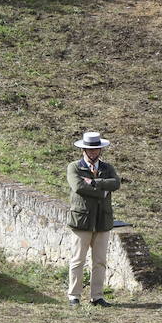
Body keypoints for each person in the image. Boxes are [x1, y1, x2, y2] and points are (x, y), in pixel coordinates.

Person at [65, 131, 120, 308]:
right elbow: (78, 187)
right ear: (83, 149)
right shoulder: (74, 167)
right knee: (77, 260)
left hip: (102, 221)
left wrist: (95, 183)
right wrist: (103, 189)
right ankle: (74, 295)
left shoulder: (107, 167)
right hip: (82, 220)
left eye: (96, 149)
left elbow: (116, 183)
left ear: (100, 150)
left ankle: (97, 296)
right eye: (90, 149)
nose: (93, 152)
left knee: (100, 261)